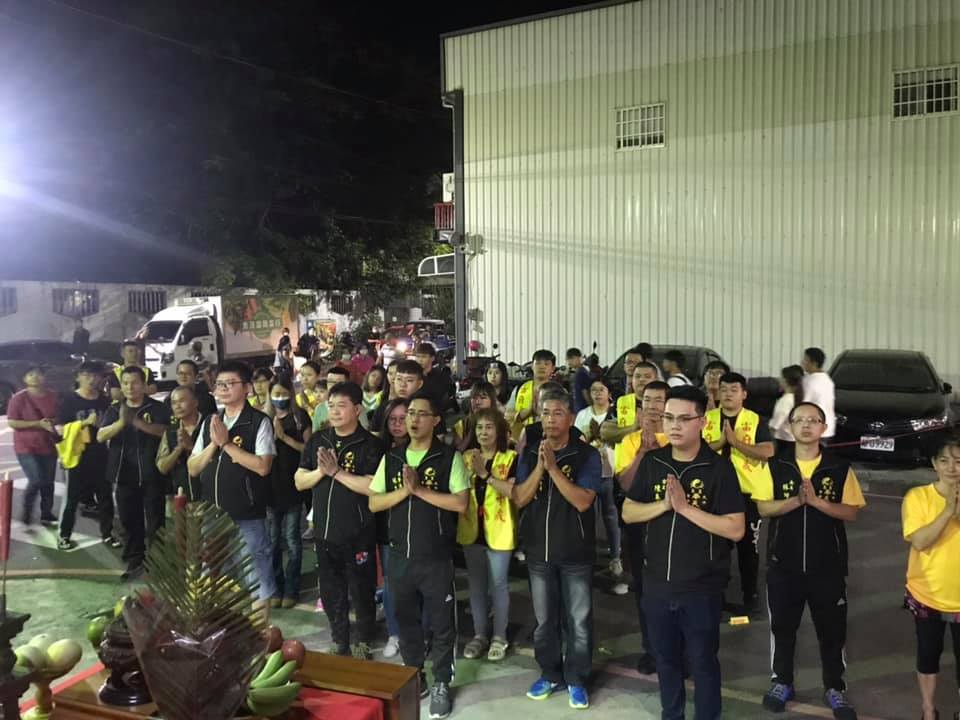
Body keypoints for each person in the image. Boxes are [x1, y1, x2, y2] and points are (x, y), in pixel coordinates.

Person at [622, 386, 745, 720]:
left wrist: (685, 509)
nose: (674, 426)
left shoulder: (718, 469)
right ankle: (671, 714)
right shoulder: (654, 462)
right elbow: (628, 512)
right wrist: (664, 505)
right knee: (666, 660)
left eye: (683, 419)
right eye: (669, 418)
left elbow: (735, 528)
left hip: (701, 588)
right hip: (657, 585)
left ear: (702, 422)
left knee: (703, 661)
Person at [754, 401, 865, 719]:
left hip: (827, 568)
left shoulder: (838, 468)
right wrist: (796, 501)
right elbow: (764, 507)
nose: (806, 425)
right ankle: (781, 681)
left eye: (813, 420)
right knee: (782, 628)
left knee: (832, 631)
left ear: (823, 428)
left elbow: (851, 512)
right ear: (790, 426)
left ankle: (835, 688)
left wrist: (816, 503)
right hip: (783, 566)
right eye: (799, 420)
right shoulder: (775, 465)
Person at [368, 393, 468, 719]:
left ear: (436, 420)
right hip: (399, 556)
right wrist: (405, 491)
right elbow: (374, 502)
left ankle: (441, 682)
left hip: (435, 557)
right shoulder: (393, 459)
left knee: (442, 625)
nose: (413, 420)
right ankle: (414, 675)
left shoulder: (448, 457)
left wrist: (420, 491)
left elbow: (460, 503)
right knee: (406, 620)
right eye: (410, 413)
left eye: (421, 414)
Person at [513, 386, 600, 709]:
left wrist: (553, 469)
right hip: (539, 553)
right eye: (545, 413)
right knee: (544, 622)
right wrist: (540, 466)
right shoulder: (530, 452)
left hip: (575, 553)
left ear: (571, 418)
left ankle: (577, 678)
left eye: (557, 413)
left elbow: (583, 501)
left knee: (579, 622)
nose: (550, 419)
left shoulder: (586, 455)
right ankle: (550, 674)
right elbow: (519, 497)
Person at [295, 381, 384, 659]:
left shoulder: (370, 444)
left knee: (361, 590)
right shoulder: (318, 440)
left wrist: (336, 473)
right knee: (331, 591)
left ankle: (363, 639)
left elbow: (373, 487)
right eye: (331, 405)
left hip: (358, 532)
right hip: (324, 531)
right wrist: (321, 473)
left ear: (357, 410)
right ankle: (339, 638)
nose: (334, 411)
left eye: (341, 406)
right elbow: (299, 481)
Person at [187, 361, 277, 606]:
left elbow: (263, 466)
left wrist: (227, 444)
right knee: (214, 576)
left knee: (257, 578)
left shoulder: (258, 422)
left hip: (247, 514)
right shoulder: (210, 422)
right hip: (212, 514)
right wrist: (214, 444)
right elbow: (193, 467)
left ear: (247, 388)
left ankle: (260, 629)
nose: (223, 388)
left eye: (230, 383)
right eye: (219, 384)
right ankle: (224, 627)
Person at [702, 372, 774, 615]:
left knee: (748, 549)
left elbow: (767, 451)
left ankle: (751, 597)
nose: (728, 394)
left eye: (734, 390)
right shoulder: (707, 419)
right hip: (714, 493)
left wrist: (735, 443)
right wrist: (721, 442)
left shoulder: (755, 420)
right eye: (723, 389)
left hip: (746, 494)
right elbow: (695, 450)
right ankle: (716, 596)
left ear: (744, 394)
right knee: (716, 549)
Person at [613, 379, 670, 675]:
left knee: (674, 592)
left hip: (673, 526)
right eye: (647, 400)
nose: (653, 406)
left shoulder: (678, 438)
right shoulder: (629, 442)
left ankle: (676, 652)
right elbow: (625, 483)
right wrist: (643, 453)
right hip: (639, 525)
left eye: (659, 400)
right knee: (645, 592)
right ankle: (652, 650)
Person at [902, 433, 960, 720]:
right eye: (944, 460)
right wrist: (948, 511)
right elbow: (920, 541)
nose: (952, 467)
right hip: (927, 594)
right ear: (934, 464)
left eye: (958, 461)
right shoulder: (917, 497)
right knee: (927, 655)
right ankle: (928, 709)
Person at [98, 367, 169, 581]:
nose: (130, 387)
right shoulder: (114, 409)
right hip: (123, 474)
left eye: (135, 382)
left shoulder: (157, 407)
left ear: (144, 385)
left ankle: (158, 562)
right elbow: (101, 436)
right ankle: (135, 560)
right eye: (126, 383)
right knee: (129, 520)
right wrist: (121, 422)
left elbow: (166, 431)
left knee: (156, 521)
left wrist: (138, 422)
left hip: (152, 473)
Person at [458, 408, 518, 663]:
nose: (483, 432)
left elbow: (513, 491)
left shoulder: (511, 457)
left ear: (500, 431)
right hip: (471, 530)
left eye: (489, 427)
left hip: (500, 530)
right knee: (476, 586)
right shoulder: (465, 458)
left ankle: (499, 636)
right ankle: (480, 635)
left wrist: (485, 474)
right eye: (479, 428)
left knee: (499, 585)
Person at [55, 363, 117, 549]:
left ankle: (108, 534)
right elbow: (59, 429)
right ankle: (64, 535)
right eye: (87, 375)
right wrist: (83, 423)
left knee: (105, 497)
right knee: (72, 498)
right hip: (77, 456)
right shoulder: (69, 400)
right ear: (78, 377)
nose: (91, 379)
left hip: (101, 454)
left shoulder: (104, 401)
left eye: (95, 376)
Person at [574, 378, 624, 592]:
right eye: (593, 390)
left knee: (611, 516)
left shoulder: (616, 416)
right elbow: (576, 441)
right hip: (588, 474)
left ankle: (615, 557)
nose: (597, 393)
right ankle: (588, 557)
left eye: (601, 390)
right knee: (587, 517)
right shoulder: (583, 415)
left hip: (610, 473)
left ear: (609, 394)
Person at [267, 376, 311, 609]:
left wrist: (284, 438)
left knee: (293, 539)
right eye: (276, 394)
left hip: (293, 487)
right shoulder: (264, 418)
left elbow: (308, 449)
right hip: (270, 488)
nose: (280, 398)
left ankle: (292, 589)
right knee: (273, 541)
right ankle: (276, 586)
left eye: (284, 394)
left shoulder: (299, 417)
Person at [375, 397, 412, 658]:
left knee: (416, 586)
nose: (398, 425)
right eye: (392, 420)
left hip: (417, 530)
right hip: (388, 528)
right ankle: (395, 633)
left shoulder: (424, 450)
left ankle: (418, 634)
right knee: (391, 585)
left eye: (403, 419)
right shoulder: (379, 452)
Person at [7, 365, 60, 527]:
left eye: (38, 374)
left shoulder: (53, 396)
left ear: (44, 377)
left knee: (48, 482)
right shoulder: (18, 398)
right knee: (36, 479)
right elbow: (12, 422)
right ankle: (27, 511)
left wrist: (52, 422)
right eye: (30, 374)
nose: (35, 377)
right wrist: (38, 424)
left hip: (48, 445)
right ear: (24, 378)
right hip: (26, 447)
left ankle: (46, 513)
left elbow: (59, 416)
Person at [156, 385, 205, 503]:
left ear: (195, 402)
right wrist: (178, 449)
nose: (177, 406)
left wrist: (191, 447)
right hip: (180, 498)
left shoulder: (209, 426)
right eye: (174, 403)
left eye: (182, 401)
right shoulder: (171, 432)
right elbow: (162, 467)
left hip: (208, 500)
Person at [600, 361, 660, 448]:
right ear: (632, 380)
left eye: (647, 376)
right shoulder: (621, 402)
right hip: (625, 454)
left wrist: (621, 432)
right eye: (637, 376)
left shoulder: (665, 402)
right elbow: (605, 432)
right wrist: (633, 428)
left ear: (656, 380)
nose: (641, 379)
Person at [505, 349, 556, 442]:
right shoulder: (520, 388)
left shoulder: (558, 391)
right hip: (521, 439)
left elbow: (564, 418)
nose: (542, 367)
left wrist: (541, 413)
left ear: (553, 368)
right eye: (538, 363)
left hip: (548, 439)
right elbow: (507, 415)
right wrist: (526, 412)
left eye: (546, 364)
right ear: (532, 366)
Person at [369, 359, 424, 432]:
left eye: (409, 380)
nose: (403, 385)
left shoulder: (425, 410)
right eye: (399, 379)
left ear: (420, 384)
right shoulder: (384, 408)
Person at [801, 347, 836, 439]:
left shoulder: (810, 381)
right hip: (827, 428)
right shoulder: (827, 380)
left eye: (805, 360)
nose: (802, 362)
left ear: (814, 363)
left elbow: (803, 406)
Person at [453, 381, 497, 452]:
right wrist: (472, 430)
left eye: (483, 398)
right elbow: (457, 451)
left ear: (492, 401)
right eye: (474, 397)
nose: (477, 402)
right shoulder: (462, 425)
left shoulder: (501, 422)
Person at [415, 342, 457, 415]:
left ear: (432, 358)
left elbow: (446, 395)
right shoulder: (413, 376)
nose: (420, 360)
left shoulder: (441, 377)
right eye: (418, 356)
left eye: (424, 357)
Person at [769, 365, 805, 449]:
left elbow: (774, 426)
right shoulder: (800, 398)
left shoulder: (785, 401)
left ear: (785, 381)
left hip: (785, 443)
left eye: (781, 378)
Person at [313, 366, 351, 431]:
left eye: (338, 382)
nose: (333, 385)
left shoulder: (354, 407)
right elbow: (315, 433)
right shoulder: (319, 408)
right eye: (330, 381)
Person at [566, 347, 591, 413]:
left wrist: (591, 407)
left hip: (582, 410)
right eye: (568, 359)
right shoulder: (577, 373)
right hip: (577, 409)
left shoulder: (581, 373)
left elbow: (585, 392)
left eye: (572, 358)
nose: (569, 361)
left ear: (579, 358)